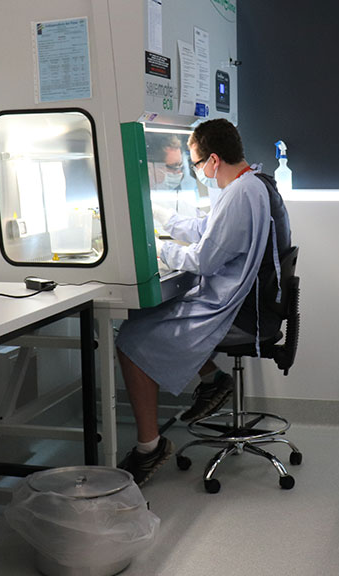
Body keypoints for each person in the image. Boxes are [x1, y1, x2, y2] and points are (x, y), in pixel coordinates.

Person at [115, 119, 291, 485]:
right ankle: (212, 381)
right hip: (251, 303)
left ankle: (150, 449)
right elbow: (208, 231)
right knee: (153, 319)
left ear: (213, 160)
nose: (197, 173)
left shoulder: (242, 193)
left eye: (195, 164)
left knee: (131, 339)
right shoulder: (252, 184)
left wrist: (153, 248)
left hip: (240, 311)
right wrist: (161, 217)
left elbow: (204, 259)